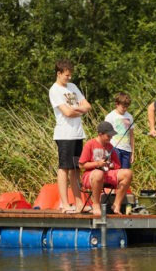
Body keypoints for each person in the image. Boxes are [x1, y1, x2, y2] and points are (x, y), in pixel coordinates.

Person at [49, 59, 92, 213]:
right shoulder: (54, 90)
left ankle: (79, 203)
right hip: (64, 135)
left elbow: (87, 105)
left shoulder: (73, 87)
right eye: (66, 75)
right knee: (64, 168)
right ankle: (65, 204)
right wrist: (79, 109)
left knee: (76, 169)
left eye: (70, 75)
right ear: (59, 73)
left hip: (77, 133)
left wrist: (76, 109)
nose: (69, 78)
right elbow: (66, 112)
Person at [78, 121, 133, 216]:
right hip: (91, 175)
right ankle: (96, 205)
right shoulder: (90, 144)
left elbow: (117, 166)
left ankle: (116, 205)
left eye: (111, 135)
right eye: (108, 135)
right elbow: (81, 165)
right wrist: (97, 164)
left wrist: (110, 165)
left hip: (107, 174)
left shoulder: (110, 147)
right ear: (100, 134)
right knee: (99, 174)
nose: (111, 138)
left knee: (128, 173)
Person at [105, 92, 135, 168]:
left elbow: (131, 135)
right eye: (123, 107)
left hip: (127, 150)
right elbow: (106, 134)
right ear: (117, 104)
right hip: (114, 148)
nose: (125, 109)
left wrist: (132, 152)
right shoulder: (110, 116)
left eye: (127, 107)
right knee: (115, 172)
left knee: (125, 173)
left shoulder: (129, 117)